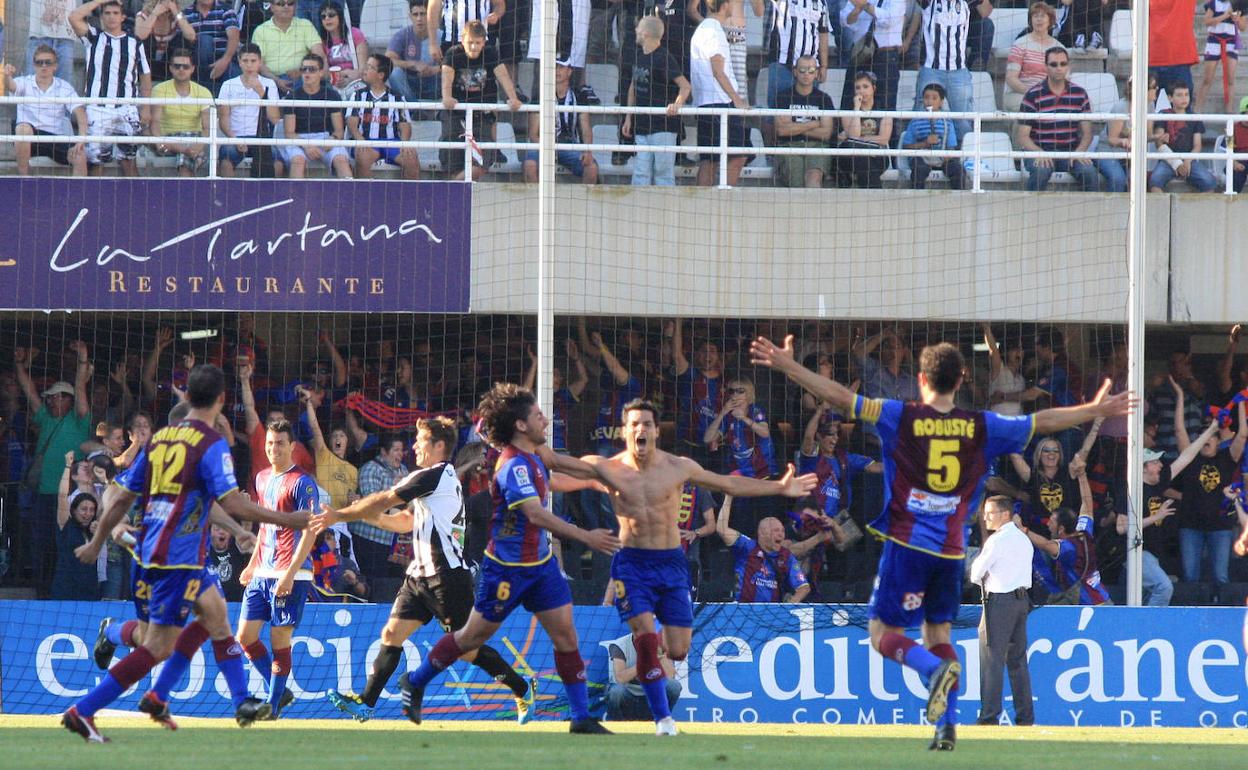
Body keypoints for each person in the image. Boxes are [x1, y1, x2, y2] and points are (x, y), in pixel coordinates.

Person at [749, 333, 1132, 751]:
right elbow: (1043, 421)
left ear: (921, 379)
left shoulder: (901, 414)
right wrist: (1094, 409)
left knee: (882, 635)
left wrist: (790, 366)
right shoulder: (981, 424)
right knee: (939, 633)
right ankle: (946, 726)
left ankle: (932, 673)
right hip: (950, 552)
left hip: (907, 546)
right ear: (962, 378)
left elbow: (842, 398)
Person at [63, 367, 311, 743]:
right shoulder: (210, 444)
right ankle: (84, 710)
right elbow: (230, 501)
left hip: (158, 555)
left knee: (215, 614)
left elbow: (131, 496)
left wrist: (100, 539)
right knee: (157, 645)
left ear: (189, 397)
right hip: (174, 560)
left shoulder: (160, 440)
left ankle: (237, 700)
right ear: (222, 400)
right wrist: (287, 518)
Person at [580, 399, 816, 734]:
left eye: (646, 423)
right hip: (631, 563)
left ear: (656, 430)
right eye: (634, 424)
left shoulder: (679, 467)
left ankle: (655, 649)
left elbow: (728, 484)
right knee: (644, 638)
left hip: (671, 562)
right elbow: (557, 466)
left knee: (677, 650)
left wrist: (778, 487)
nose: (640, 429)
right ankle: (663, 720)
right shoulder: (609, 467)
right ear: (624, 431)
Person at [394, 384, 621, 734]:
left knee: (567, 638)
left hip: (541, 566)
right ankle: (416, 680)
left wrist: (602, 476)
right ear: (520, 425)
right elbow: (536, 514)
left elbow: (560, 467)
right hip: (505, 571)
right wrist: (586, 535)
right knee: (470, 638)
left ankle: (580, 719)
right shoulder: (512, 466)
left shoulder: (538, 452)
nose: (545, 418)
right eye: (537, 415)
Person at [318, 417, 536, 723]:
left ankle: (522, 687)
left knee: (467, 649)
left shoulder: (435, 474)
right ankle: (367, 703)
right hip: (418, 578)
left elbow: (384, 499)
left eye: (420, 440)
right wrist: (361, 515)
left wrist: (339, 514)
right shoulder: (434, 484)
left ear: (439, 446)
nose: (414, 446)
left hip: (447, 579)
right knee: (391, 633)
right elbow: (403, 522)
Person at [236, 419, 323, 720]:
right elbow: (264, 526)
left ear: (292, 447)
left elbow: (310, 531)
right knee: (245, 637)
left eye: (280, 443)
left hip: (291, 573)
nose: (274, 448)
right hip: (262, 572)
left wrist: (289, 574)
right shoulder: (261, 478)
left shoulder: (303, 482)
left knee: (278, 641)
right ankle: (281, 692)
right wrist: (252, 564)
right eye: (270, 443)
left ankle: (272, 707)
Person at [14, 346, 93, 598]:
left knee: (67, 548)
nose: (50, 400)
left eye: (56, 396)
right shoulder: (46, 419)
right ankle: (43, 593)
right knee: (42, 547)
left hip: (70, 499)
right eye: (49, 397)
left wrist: (83, 360)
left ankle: (67, 594)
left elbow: (81, 389)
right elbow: (29, 392)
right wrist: (19, 366)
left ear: (68, 400)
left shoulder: (80, 420)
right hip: (44, 498)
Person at [969, 495, 1034, 726]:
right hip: (1021, 601)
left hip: (1000, 601)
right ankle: (1025, 717)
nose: (985, 518)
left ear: (1005, 514)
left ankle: (989, 716)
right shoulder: (1023, 539)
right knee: (1017, 661)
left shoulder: (997, 541)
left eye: (990, 513)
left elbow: (976, 572)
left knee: (992, 660)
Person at [69, 0, 153, 176]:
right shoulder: (93, 37)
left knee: (128, 160)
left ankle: (134, 200)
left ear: (123, 17)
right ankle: (94, 203)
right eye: (107, 13)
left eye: (115, 13)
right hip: (97, 109)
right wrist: (100, 1)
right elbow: (73, 17)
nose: (111, 17)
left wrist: (145, 108)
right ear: (101, 17)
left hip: (127, 109)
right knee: (96, 161)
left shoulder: (135, 43)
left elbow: (145, 76)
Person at [439, 20, 524, 181]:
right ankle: (456, 184)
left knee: (481, 162)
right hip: (456, 114)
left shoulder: (491, 53)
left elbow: (503, 77)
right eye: (470, 42)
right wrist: (446, 97)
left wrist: (513, 98)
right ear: (462, 40)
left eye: (477, 43)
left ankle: (454, 185)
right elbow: (446, 78)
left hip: (482, 115)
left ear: (484, 41)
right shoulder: (453, 53)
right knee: (451, 150)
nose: (473, 47)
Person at [1024, 457, 1111, 605]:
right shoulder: (1084, 532)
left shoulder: (1067, 548)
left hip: (1088, 605)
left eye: (1052, 522)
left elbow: (1045, 544)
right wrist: (1082, 476)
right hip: (1103, 598)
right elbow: (1087, 505)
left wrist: (1023, 530)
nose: (1048, 525)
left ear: (1061, 529)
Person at [1016, 46, 1099, 192]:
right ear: (1045, 67)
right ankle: (1030, 211)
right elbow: (1022, 136)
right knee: (1041, 171)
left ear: (1068, 66)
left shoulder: (1080, 93)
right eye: (1053, 64)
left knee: (1089, 172)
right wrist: (1039, 152)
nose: (1059, 68)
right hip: (1040, 149)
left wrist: (1079, 152)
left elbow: (1088, 134)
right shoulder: (1032, 94)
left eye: (1063, 64)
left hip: (1070, 151)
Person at [621, 15, 691, 187]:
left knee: (663, 173)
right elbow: (633, 87)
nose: (636, 30)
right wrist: (629, 117)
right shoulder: (638, 55)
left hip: (663, 126)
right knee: (640, 172)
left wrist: (677, 104)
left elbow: (685, 86)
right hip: (642, 124)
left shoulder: (664, 57)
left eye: (639, 28)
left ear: (645, 33)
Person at [717, 496, 823, 602]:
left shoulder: (786, 556)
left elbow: (804, 587)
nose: (781, 534)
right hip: (743, 609)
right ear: (762, 533)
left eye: (782, 531)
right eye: (776, 530)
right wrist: (728, 497)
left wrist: (790, 604)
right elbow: (722, 529)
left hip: (772, 613)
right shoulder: (747, 546)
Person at [691, 0, 750, 186]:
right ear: (725, 5)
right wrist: (737, 99)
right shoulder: (713, 31)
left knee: (710, 159)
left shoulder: (704, 28)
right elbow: (718, 71)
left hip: (707, 102)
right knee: (737, 156)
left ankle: (704, 203)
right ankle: (724, 199)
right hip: (720, 103)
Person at [3, 49, 88, 176]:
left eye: (48, 62)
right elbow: (11, 86)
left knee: (80, 155)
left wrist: (81, 139)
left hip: (55, 139)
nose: (43, 66)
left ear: (55, 66)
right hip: (30, 140)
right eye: (39, 62)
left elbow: (80, 112)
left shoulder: (64, 87)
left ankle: (78, 195)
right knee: (23, 129)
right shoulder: (24, 82)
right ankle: (24, 182)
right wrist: (6, 75)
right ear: (34, 65)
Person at [522, 58, 599, 184]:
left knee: (591, 168)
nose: (557, 71)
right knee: (530, 165)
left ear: (569, 71)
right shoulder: (540, 96)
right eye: (554, 67)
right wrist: (548, 148)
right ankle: (535, 203)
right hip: (543, 145)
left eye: (561, 67)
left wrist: (587, 150)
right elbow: (533, 134)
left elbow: (586, 128)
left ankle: (586, 204)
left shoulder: (579, 96)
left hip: (570, 145)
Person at [216, 44, 285, 177]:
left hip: (263, 138)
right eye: (245, 61)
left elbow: (274, 118)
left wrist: (261, 92)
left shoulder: (269, 84)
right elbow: (223, 120)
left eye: (253, 61)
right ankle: (228, 196)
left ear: (260, 62)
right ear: (239, 62)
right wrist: (234, 139)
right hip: (236, 137)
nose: (249, 65)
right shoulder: (228, 85)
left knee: (277, 162)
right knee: (226, 159)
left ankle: (272, 196)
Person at [281, 53, 353, 179]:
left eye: (312, 69)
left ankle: (349, 197)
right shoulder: (292, 97)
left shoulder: (332, 95)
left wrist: (332, 140)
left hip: (326, 137)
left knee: (341, 160)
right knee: (298, 161)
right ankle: (295, 198)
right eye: (304, 69)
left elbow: (339, 131)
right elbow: (289, 133)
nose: (307, 73)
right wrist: (307, 145)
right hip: (299, 139)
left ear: (321, 72)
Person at [772, 55, 837, 189]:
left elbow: (826, 133)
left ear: (817, 73)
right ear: (795, 71)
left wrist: (794, 127)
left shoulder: (824, 99)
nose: (806, 74)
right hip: (789, 146)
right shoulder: (783, 97)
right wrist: (813, 124)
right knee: (796, 185)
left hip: (817, 147)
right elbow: (782, 130)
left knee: (813, 181)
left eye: (811, 70)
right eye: (802, 70)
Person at [150, 49, 213, 177]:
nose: (181, 69)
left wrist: (197, 148)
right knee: (184, 154)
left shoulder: (203, 92)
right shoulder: (160, 89)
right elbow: (155, 121)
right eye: (177, 66)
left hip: (193, 138)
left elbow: (207, 127)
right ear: (171, 68)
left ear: (192, 69)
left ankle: (186, 153)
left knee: (185, 160)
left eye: (185, 66)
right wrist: (159, 140)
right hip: (167, 138)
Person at [1149, 83, 1217, 193]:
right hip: (1167, 161)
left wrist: (1187, 160)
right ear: (1170, 98)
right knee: (1155, 181)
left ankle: (1197, 209)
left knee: (1209, 182)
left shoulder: (1194, 117)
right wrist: (1176, 163)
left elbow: (1197, 145)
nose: (1184, 98)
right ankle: (1162, 209)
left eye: (1186, 94)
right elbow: (1159, 143)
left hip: (1189, 160)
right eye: (1179, 95)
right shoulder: (1163, 115)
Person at [900, 82, 967, 190]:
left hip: (942, 159)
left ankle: (959, 200)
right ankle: (916, 199)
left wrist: (947, 156)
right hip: (922, 158)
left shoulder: (947, 122)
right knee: (918, 170)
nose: (929, 101)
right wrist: (925, 144)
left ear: (941, 102)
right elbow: (906, 146)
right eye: (926, 98)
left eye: (934, 98)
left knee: (958, 170)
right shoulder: (915, 120)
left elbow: (951, 147)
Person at [604, 631, 682, 721]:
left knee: (674, 686)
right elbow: (620, 678)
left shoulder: (660, 644)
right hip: (628, 693)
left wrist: (660, 655)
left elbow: (669, 677)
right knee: (616, 691)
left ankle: (662, 720)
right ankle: (618, 725)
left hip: (651, 693)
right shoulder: (619, 645)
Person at [836, 70, 892, 188]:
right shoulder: (847, 112)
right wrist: (857, 108)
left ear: (873, 88)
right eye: (858, 88)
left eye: (865, 87)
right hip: (852, 157)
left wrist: (860, 140)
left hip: (877, 156)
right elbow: (854, 135)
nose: (861, 91)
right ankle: (874, 196)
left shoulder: (884, 111)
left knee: (863, 161)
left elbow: (883, 139)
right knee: (863, 160)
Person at [253, 0, 323, 93]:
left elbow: (319, 55)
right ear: (272, 7)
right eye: (281, 4)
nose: (286, 6)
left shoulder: (305, 25)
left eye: (290, 3)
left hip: (303, 77)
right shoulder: (260, 31)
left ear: (295, 6)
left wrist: (303, 71)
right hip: (272, 80)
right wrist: (276, 81)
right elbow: (259, 64)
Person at [1004, 3, 1063, 111]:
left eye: (1042, 16)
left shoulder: (1059, 47)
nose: (1039, 20)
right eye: (1035, 16)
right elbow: (1011, 78)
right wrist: (1033, 93)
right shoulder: (1020, 44)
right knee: (1031, 107)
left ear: (1050, 20)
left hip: (1050, 94)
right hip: (1021, 93)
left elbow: (1063, 79)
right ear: (1031, 20)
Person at [179, 0, 243, 93]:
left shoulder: (225, 10)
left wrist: (224, 61)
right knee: (205, 40)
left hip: (224, 59)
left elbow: (234, 37)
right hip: (199, 62)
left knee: (238, 82)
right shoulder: (186, 14)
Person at [386, 0, 442, 101]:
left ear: (429, 14)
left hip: (435, 80)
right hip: (410, 81)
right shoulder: (402, 35)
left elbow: (452, 62)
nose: (419, 19)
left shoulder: (441, 36)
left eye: (423, 14)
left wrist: (434, 70)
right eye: (415, 14)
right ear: (410, 16)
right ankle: (413, 109)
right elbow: (388, 59)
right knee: (394, 73)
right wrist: (413, 64)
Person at [317, 1, 368, 87]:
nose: (327, 18)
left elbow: (363, 69)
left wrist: (348, 76)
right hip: (333, 83)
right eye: (323, 16)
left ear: (340, 16)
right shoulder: (321, 41)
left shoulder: (355, 34)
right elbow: (324, 73)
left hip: (355, 81)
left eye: (331, 15)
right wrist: (339, 76)